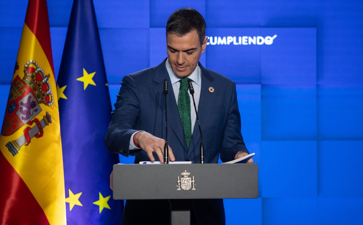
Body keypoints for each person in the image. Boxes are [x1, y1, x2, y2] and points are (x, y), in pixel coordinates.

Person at [105, 7, 253, 225]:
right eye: (173, 50)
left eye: (189, 51)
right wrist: (140, 137)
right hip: (148, 214)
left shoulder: (224, 88)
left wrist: (240, 156)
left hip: (205, 215)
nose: (180, 60)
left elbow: (230, 144)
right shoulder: (137, 84)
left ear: (204, 44)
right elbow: (114, 135)